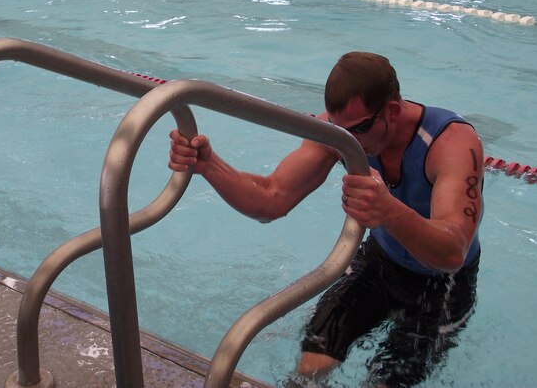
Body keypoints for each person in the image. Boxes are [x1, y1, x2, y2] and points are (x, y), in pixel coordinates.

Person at [168, 51, 483, 386]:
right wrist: (210, 166)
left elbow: (453, 251)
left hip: (442, 285)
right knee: (312, 363)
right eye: (340, 130)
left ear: (392, 111)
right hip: (380, 262)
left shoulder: (450, 143)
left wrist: (389, 210)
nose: (352, 142)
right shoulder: (342, 133)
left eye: (360, 128)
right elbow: (271, 198)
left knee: (386, 381)